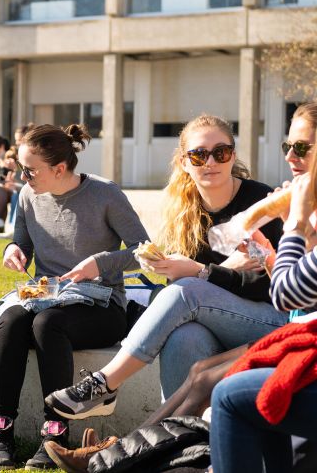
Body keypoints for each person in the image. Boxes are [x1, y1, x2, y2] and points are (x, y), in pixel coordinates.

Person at [44, 103, 317, 471]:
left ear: (233, 155)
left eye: (221, 152)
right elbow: (164, 259)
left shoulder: (265, 200)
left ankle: (105, 389)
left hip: (279, 322)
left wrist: (207, 272)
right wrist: (149, 266)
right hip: (225, 319)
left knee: (186, 292)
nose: (211, 162)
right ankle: (151, 458)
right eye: (199, 154)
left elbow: (279, 290)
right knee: (186, 338)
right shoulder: (183, 208)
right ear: (185, 161)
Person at [0, 123, 150, 471]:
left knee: (48, 325)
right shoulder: (28, 195)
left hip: (102, 304)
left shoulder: (105, 194)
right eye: (21, 169)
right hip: (48, 295)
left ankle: (55, 433)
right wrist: (14, 250)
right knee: (11, 320)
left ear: (59, 169)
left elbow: (145, 252)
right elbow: (23, 241)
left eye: (30, 170)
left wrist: (99, 263)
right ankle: (1, 432)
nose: (23, 176)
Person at [210, 162, 317, 473]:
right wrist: (267, 249)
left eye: (303, 148)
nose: (291, 159)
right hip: (300, 337)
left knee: (225, 392)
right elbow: (298, 288)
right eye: (288, 147)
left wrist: (294, 225)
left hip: (298, 339)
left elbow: (287, 296)